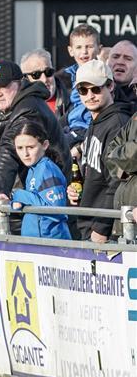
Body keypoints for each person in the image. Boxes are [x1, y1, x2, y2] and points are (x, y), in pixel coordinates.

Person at [0, 60, 67, 212]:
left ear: (20, 83)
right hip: (25, 198)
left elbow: (8, 151)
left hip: (43, 200)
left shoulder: (28, 109)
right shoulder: (8, 111)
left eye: (3, 86)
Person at [66, 60, 131, 242]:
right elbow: (96, 174)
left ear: (110, 86)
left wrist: (101, 229)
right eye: (83, 90)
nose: (90, 95)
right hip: (88, 223)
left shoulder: (117, 123)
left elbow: (118, 182)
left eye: (95, 89)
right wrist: (76, 188)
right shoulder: (95, 122)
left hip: (107, 232)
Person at [9, 121, 70, 240]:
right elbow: (34, 199)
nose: (25, 154)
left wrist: (18, 195)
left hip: (51, 242)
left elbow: (56, 209)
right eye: (20, 148)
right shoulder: (32, 169)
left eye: (30, 147)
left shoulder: (48, 169)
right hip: (35, 241)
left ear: (45, 145)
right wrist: (18, 202)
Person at [55, 24, 100, 144]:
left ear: (99, 49)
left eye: (89, 46)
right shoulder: (64, 77)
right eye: (79, 47)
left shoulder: (104, 75)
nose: (84, 52)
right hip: (68, 127)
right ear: (71, 50)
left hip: (87, 130)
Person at [20, 49, 71, 127]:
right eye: (36, 74)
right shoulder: (18, 109)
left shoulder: (74, 99)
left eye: (48, 72)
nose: (44, 79)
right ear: (25, 79)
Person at [106, 113, 137, 238]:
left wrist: (123, 157)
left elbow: (133, 154)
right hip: (124, 224)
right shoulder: (135, 118)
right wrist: (126, 167)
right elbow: (108, 154)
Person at [107, 40, 137, 113]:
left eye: (128, 58)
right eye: (115, 57)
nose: (120, 62)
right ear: (107, 62)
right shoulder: (94, 90)